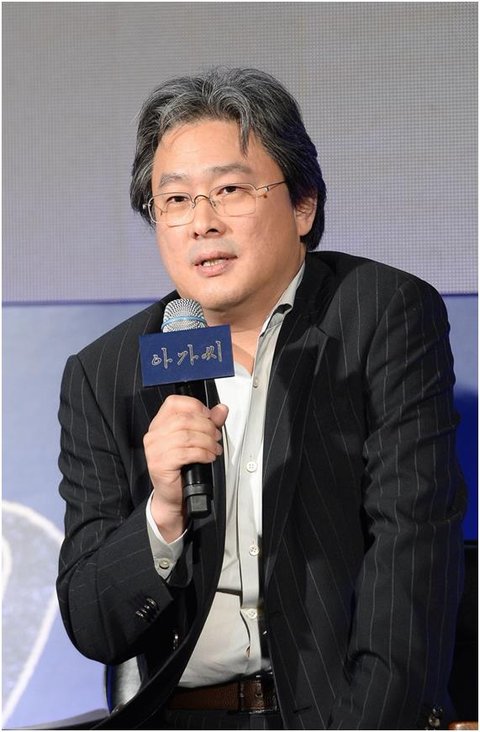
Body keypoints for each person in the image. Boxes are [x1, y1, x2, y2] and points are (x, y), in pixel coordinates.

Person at [56, 67, 466, 730]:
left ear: (303, 206)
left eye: (229, 190)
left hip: (343, 716)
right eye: (176, 200)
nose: (202, 223)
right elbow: (93, 622)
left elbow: (411, 555)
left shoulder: (381, 316)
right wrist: (162, 513)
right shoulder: (108, 373)